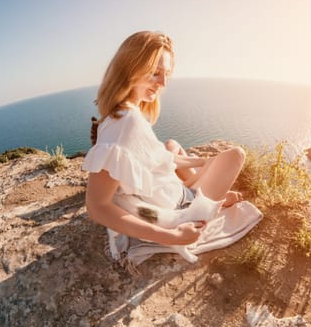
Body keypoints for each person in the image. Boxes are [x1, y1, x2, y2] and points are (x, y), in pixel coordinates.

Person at [83, 31, 245, 247]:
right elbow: (97, 207)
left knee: (171, 145)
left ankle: (209, 194)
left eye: (166, 74)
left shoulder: (120, 115)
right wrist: (173, 237)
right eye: (155, 73)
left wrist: (204, 162)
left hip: (172, 193)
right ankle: (212, 204)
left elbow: (157, 158)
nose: (163, 83)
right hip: (180, 212)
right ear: (129, 67)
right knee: (235, 155)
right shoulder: (127, 123)